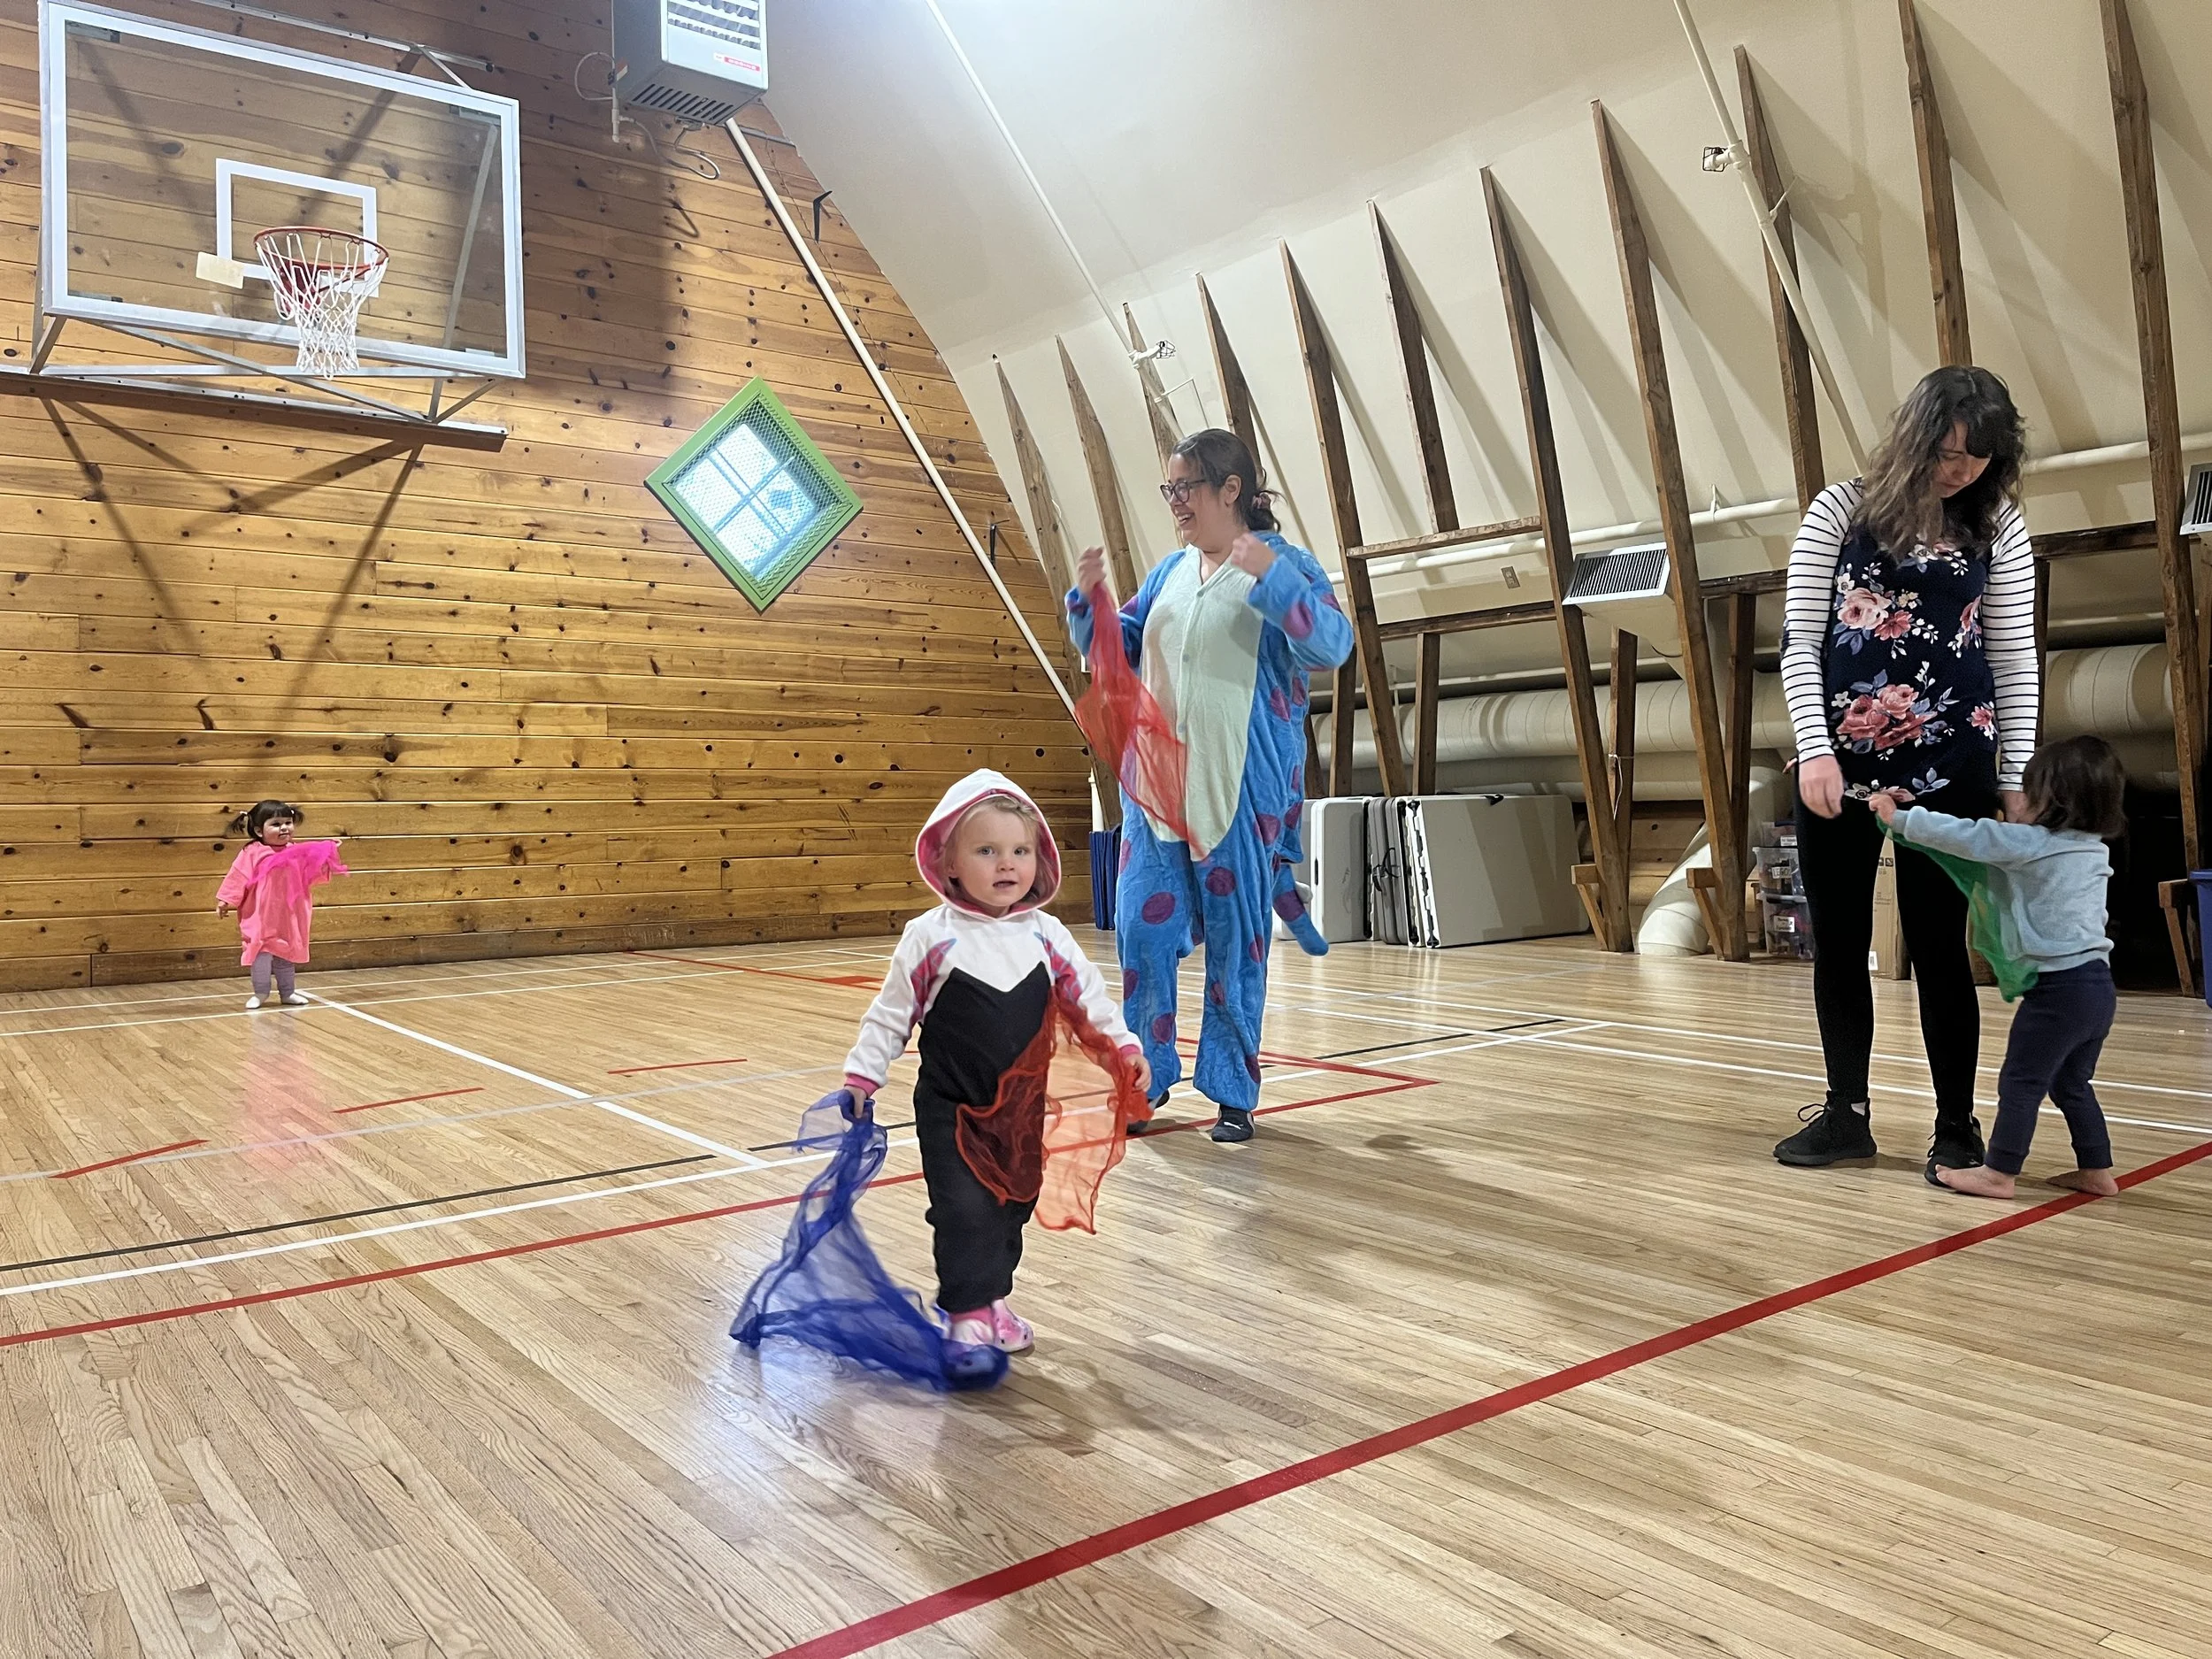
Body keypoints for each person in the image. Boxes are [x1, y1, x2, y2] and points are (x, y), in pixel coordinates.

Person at [1771, 365, 2039, 1180]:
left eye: (1978, 457)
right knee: (1840, 943)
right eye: (1947, 450)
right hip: (1842, 766)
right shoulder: (1840, 509)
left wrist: (2018, 771)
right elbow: (1799, 639)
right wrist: (1814, 747)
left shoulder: (2001, 527)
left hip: (1954, 766)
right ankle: (1846, 1113)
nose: (1959, 469)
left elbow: (2014, 655)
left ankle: (1955, 1124)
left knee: (1939, 947)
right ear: (1914, 435)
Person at [1068, 428, 1353, 1145]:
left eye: (1184, 488)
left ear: (1230, 489)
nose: (1174, 503)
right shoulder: (1168, 571)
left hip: (1240, 793)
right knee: (1140, 932)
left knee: (1237, 944)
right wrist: (1090, 604)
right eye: (1169, 489)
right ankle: (1144, 1081)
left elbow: (1331, 645)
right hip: (1156, 794)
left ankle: (1231, 1090)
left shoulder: (1283, 564)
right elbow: (1114, 648)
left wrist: (1270, 576)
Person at [836, 770, 1148, 1384]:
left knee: (1013, 1203)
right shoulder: (930, 937)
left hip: (1020, 1109)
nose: (1007, 864)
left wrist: (1123, 1043)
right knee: (963, 1209)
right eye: (987, 850)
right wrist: (862, 1077)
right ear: (948, 862)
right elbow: (890, 1014)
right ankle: (965, 1318)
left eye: (1020, 851)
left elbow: (1089, 995)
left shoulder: (1046, 935)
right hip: (951, 1107)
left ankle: (991, 1299)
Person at [1870, 736, 2126, 1199]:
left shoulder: (2030, 844)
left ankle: (1999, 1173)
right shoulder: (2094, 849)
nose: (2014, 801)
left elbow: (1967, 835)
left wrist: (1897, 817)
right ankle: (2096, 1170)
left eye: (2026, 791)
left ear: (2054, 801)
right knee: (2072, 1083)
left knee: (2020, 1082)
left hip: (2058, 992)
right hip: (2098, 988)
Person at [215, 800, 349, 1010]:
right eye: (276, 824)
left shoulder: (297, 851)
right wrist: (226, 900)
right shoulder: (252, 852)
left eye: (288, 822)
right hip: (261, 915)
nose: (284, 828)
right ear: (259, 830)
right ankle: (260, 992)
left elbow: (313, 874)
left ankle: (288, 992)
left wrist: (325, 855)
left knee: (285, 953)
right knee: (261, 954)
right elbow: (237, 876)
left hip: (289, 914)